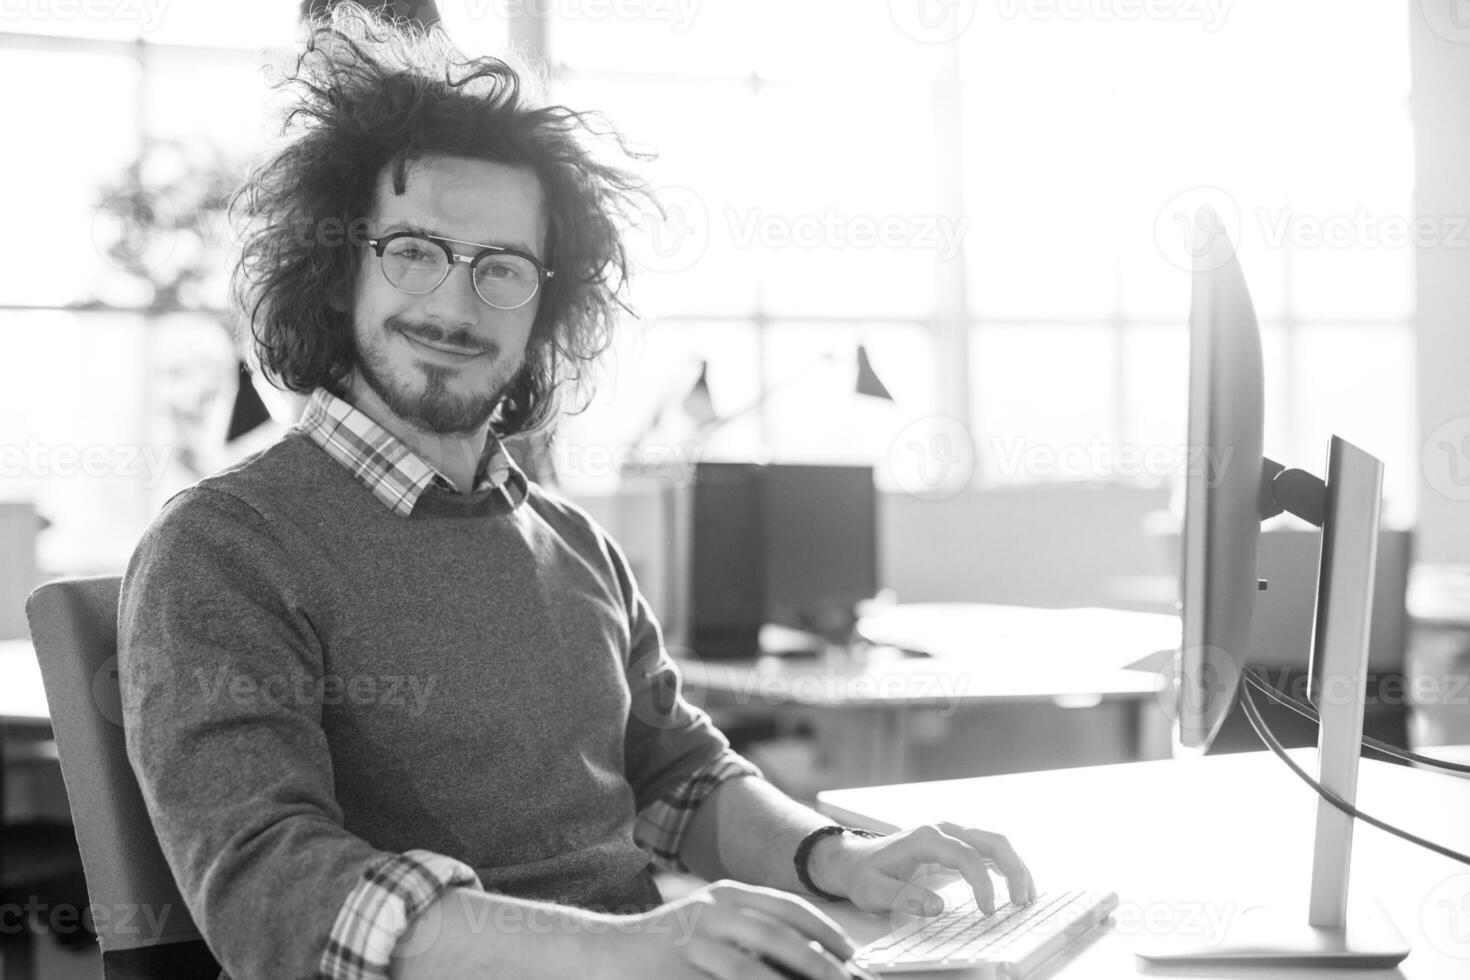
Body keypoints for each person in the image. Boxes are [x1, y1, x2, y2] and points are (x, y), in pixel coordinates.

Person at [117, 6, 1035, 979]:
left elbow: (680, 773)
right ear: (338, 267)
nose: (456, 305)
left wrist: (840, 854)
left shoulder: (572, 541)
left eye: (502, 268)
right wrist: (626, 947)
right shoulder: (224, 546)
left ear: (544, 305)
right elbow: (273, 889)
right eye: (414, 250)